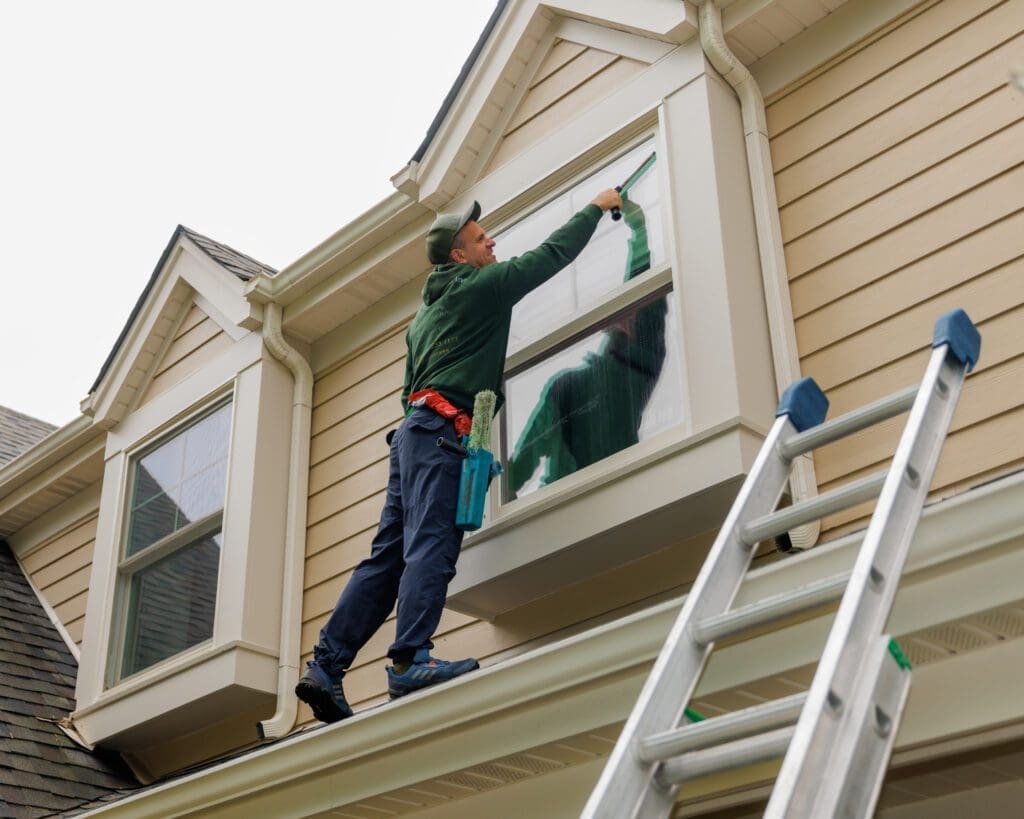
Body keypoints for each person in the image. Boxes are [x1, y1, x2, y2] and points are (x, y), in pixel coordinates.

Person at [295, 187, 624, 723]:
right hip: (439, 434)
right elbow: (549, 257)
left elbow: (409, 394)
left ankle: (327, 667)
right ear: (459, 256)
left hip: (412, 434)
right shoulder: (481, 286)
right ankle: (409, 661)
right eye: (479, 237)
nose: (490, 240)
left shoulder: (421, 321)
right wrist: (594, 206)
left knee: (388, 556)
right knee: (432, 543)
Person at [507, 194, 668, 495]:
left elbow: (648, 305)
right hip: (578, 499)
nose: (621, 315)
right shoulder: (575, 385)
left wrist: (640, 233)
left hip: (606, 490)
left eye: (628, 313)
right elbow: (525, 458)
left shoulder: (631, 373)